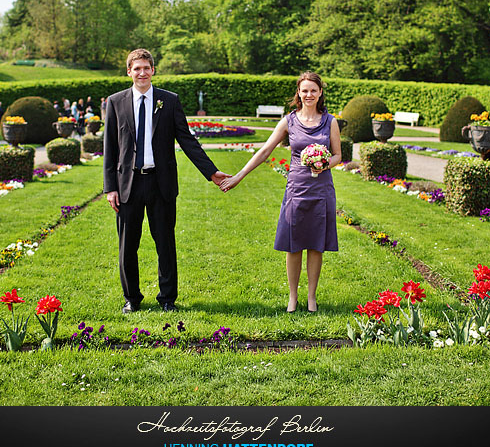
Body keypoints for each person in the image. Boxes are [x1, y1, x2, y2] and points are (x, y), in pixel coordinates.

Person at [103, 48, 231, 313]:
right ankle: (132, 299)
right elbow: (110, 149)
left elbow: (186, 140)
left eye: (146, 68)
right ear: (129, 71)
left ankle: (168, 298)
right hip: (128, 185)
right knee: (128, 246)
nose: (142, 73)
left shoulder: (169, 101)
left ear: (153, 70)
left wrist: (211, 172)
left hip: (161, 184)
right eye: (136, 68)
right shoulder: (115, 102)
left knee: (165, 243)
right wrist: (110, 188)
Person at [219, 71, 341, 313]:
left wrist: (323, 162)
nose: (309, 95)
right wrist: (238, 176)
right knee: (293, 243)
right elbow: (264, 151)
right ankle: (293, 297)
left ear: (320, 93)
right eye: (304, 90)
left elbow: (338, 155)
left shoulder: (331, 122)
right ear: (298, 93)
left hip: (321, 189)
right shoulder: (289, 121)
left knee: (316, 244)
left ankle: (312, 297)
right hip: (296, 188)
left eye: (313, 90)